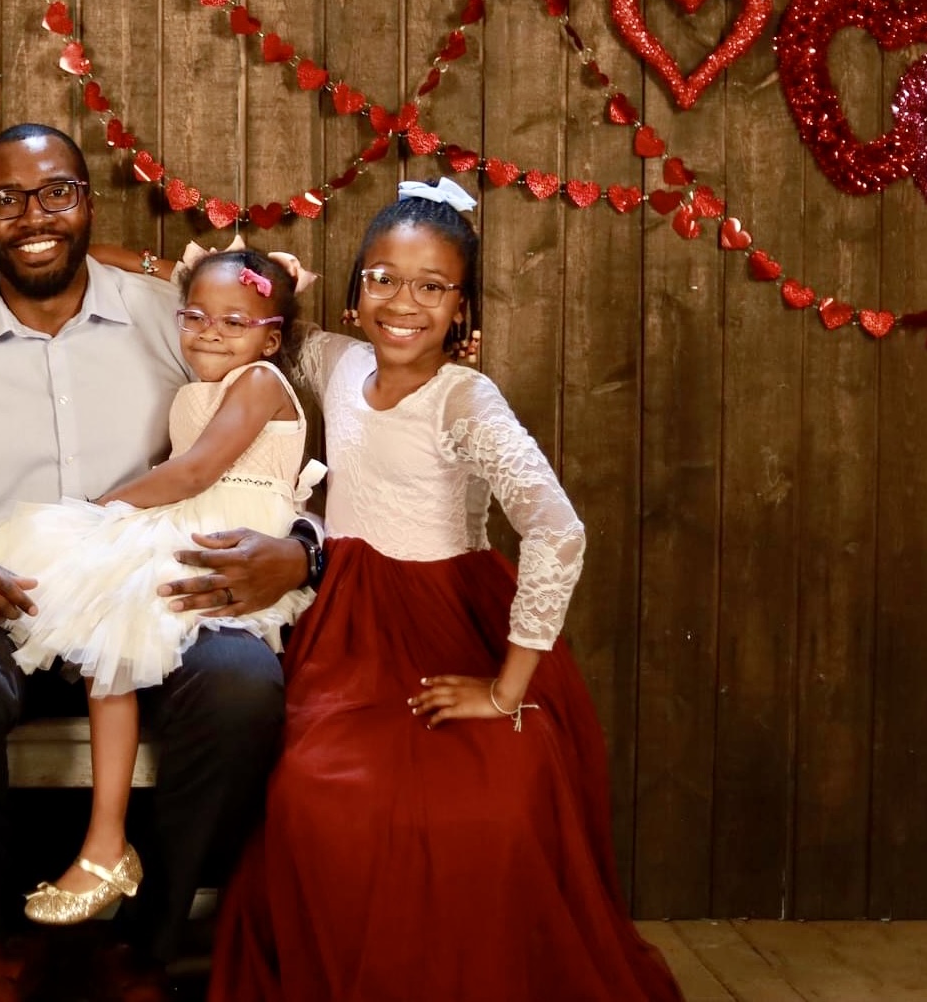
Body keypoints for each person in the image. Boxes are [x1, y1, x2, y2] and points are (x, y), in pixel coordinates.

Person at [0, 123, 315, 1002]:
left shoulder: (175, 318)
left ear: (87, 201)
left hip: (158, 594)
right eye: (7, 199)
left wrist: (300, 552)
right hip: (3, 607)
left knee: (243, 684)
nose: (35, 216)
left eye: (56, 192)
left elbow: (280, 415)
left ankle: (147, 946)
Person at [207, 180, 684, 1001]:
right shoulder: (335, 358)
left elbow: (557, 529)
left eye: (432, 287)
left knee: (482, 802)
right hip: (351, 625)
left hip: (446, 618)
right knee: (316, 794)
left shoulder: (466, 399)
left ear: (461, 309)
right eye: (383, 278)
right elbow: (259, 319)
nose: (403, 302)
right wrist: (258, 278)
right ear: (356, 289)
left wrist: (506, 691)